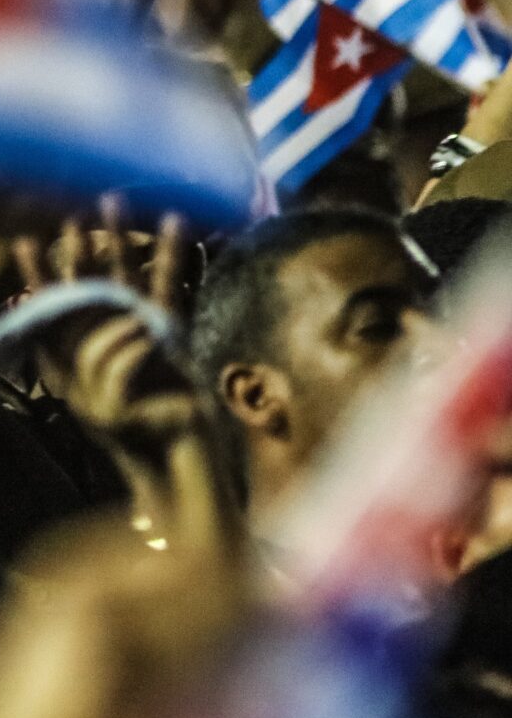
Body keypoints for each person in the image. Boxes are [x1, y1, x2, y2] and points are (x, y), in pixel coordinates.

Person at [188, 208, 443, 514]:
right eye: (378, 328)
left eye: (442, 314)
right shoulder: (211, 561)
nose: (446, 344)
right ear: (255, 396)